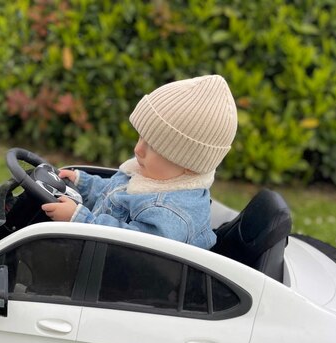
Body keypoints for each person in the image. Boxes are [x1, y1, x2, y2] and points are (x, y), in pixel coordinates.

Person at [41, 74, 238, 249]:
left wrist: (80, 220)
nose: (138, 149)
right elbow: (113, 192)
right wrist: (83, 183)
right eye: (141, 137)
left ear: (189, 163)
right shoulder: (155, 173)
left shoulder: (169, 214)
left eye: (154, 147)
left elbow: (131, 247)